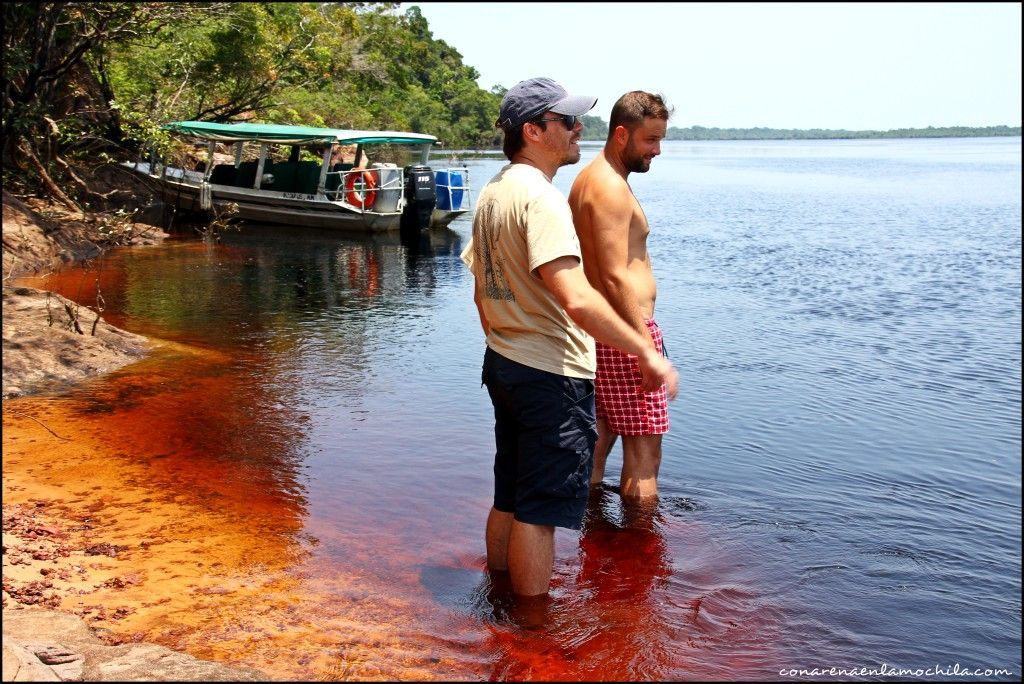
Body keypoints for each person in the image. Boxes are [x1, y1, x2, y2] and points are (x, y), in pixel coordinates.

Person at [460, 78, 678, 599]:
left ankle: (500, 602)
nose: (580, 129)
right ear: (534, 131)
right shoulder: (540, 198)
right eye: (567, 121)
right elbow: (576, 298)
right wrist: (644, 351)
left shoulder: (495, 190)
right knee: (539, 512)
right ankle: (534, 630)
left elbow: (478, 289)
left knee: (509, 495)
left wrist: (504, 344)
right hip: (546, 371)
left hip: (506, 361)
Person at [568, 91, 673, 500]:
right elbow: (614, 276)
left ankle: (590, 534)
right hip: (626, 331)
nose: (657, 150)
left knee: (602, 437)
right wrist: (645, 346)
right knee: (644, 452)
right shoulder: (610, 188)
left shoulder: (588, 180)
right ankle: (641, 554)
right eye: (650, 140)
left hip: (601, 330)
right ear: (621, 136)